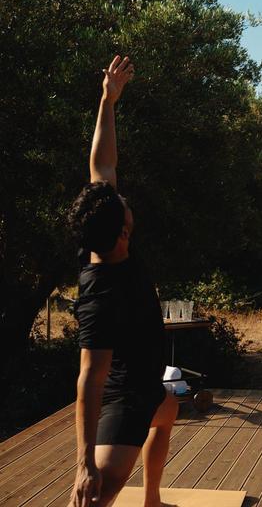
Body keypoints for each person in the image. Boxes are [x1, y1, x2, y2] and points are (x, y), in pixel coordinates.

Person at [67, 56, 178, 507]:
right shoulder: (100, 296)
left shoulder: (103, 232)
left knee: (168, 412)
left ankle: (151, 500)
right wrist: (83, 462)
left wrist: (107, 101)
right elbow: (89, 380)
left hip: (148, 385)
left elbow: (102, 164)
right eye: (126, 211)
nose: (124, 200)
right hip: (121, 396)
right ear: (122, 234)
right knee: (92, 498)